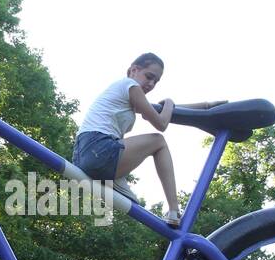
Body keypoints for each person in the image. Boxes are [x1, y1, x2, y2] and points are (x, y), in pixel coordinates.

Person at [71, 53, 223, 227]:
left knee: (133, 204)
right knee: (158, 141)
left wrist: (207, 106)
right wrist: (170, 102)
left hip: (86, 155)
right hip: (98, 148)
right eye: (149, 77)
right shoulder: (130, 85)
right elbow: (161, 123)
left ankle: (113, 181)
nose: (151, 84)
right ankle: (174, 210)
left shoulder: (124, 93)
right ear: (133, 70)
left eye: (156, 81)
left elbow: (169, 111)